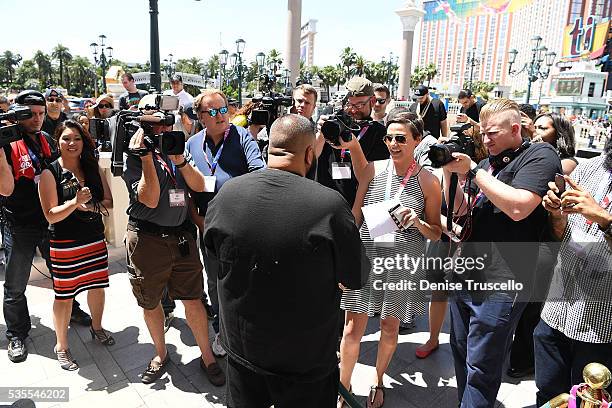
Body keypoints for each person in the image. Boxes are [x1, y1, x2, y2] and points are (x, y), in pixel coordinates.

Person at [203, 114, 369, 408]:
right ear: (309, 154)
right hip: (305, 361)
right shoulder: (329, 206)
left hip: (243, 350)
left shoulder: (228, 193)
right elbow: (355, 276)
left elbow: (213, 255)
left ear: (270, 149)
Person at [441, 98, 561, 407]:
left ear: (516, 129)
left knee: (482, 363)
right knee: (461, 350)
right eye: (482, 133)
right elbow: (459, 211)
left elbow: (519, 207)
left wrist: (475, 173)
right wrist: (450, 174)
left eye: (492, 133)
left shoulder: (539, 155)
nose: (485, 140)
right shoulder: (485, 165)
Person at [338, 110, 442, 408]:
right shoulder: (373, 170)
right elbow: (356, 213)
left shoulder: (428, 181)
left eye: (401, 138)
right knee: (351, 329)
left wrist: (418, 223)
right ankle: (343, 387)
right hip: (366, 258)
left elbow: (435, 233)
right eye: (389, 138)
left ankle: (378, 378)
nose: (394, 144)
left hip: (400, 265)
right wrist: (346, 257)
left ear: (417, 141)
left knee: (389, 327)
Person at [122, 95, 224, 386]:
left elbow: (198, 185)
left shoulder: (175, 145)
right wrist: (145, 157)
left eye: (167, 120)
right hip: (147, 239)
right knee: (151, 300)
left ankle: (207, 356)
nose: (163, 129)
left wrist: (179, 161)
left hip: (181, 237)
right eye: (156, 121)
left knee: (193, 298)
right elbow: (151, 198)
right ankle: (160, 353)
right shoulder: (132, 152)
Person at [2, 91, 91, 364]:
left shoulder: (45, 140)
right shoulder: (6, 142)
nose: (38, 118)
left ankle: (72, 309)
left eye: (41, 113)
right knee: (16, 285)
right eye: (32, 113)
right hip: (20, 225)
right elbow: (6, 189)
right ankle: (17, 334)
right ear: (18, 113)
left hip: (52, 221)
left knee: (63, 274)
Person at [185, 89, 265, 357]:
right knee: (214, 283)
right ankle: (221, 330)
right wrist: (197, 220)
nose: (221, 116)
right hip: (208, 229)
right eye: (213, 112)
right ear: (200, 117)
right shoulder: (192, 144)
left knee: (245, 282)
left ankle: (246, 332)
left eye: (224, 110)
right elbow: (185, 187)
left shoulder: (242, 137)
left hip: (239, 227)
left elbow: (258, 173)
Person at [536, 138, 612, 406]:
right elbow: (560, 234)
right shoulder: (588, 169)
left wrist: (604, 219)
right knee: (548, 395)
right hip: (555, 314)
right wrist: (556, 214)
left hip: (601, 328)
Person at [506, 110, 578, 379]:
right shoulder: (533, 155)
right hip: (532, 238)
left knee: (534, 304)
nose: (536, 132)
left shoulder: (565, 163)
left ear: (558, 134)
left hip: (550, 241)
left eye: (543, 128)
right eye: (535, 127)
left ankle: (523, 359)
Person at [38, 120, 114, 371]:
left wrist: (88, 206)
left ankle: (97, 327)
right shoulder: (50, 172)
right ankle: (61, 345)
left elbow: (108, 202)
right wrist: (74, 203)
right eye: (66, 139)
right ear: (57, 142)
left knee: (98, 287)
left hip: (93, 239)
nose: (72, 143)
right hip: (65, 244)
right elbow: (50, 215)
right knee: (64, 297)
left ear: (84, 142)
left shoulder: (93, 167)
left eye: (77, 139)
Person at [316, 76, 389, 207]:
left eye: (360, 105)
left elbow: (374, 178)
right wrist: (321, 134)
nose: (354, 110)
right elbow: (311, 158)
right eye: (350, 104)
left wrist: (354, 146)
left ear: (372, 101)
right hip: (324, 201)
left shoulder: (380, 133)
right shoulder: (332, 120)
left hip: (357, 204)